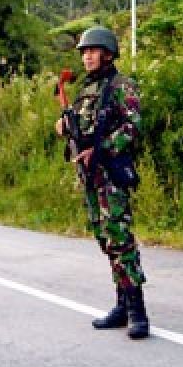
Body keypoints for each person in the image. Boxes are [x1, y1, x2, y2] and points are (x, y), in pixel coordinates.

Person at [55, 26, 149, 339]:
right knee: (103, 237)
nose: (88, 57)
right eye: (84, 52)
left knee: (119, 236)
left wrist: (101, 149)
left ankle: (137, 310)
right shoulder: (86, 90)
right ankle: (122, 303)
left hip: (111, 172)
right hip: (91, 176)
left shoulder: (121, 86)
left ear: (108, 53)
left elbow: (133, 127)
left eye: (93, 51)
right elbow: (81, 127)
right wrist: (65, 127)